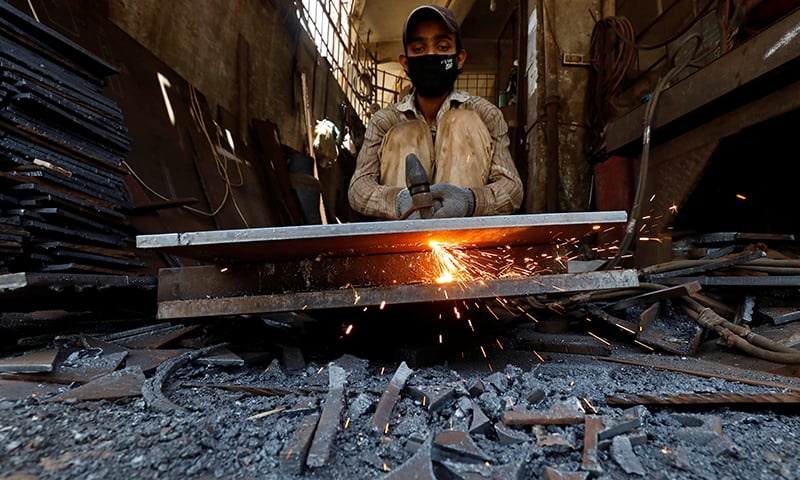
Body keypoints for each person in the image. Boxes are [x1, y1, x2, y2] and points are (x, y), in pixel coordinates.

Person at [348, 4, 523, 220]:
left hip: (463, 241)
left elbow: (512, 187)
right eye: (419, 49)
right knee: (406, 131)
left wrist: (469, 200)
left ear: (459, 58)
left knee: (461, 121)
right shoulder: (385, 121)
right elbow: (359, 188)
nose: (431, 55)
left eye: (441, 47)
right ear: (406, 63)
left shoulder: (486, 114)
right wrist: (399, 201)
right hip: (402, 237)